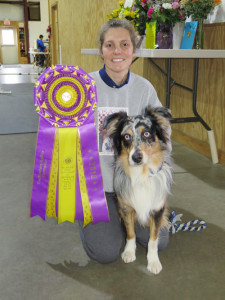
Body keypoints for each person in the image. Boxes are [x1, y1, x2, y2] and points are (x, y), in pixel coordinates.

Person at [79, 19, 170, 264]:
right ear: (101, 50)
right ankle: (96, 218)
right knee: (105, 252)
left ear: (133, 50)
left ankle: (128, 215)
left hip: (136, 183)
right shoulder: (82, 87)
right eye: (110, 45)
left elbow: (163, 136)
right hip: (99, 186)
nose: (117, 51)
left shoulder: (145, 88)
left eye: (124, 44)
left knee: (159, 242)